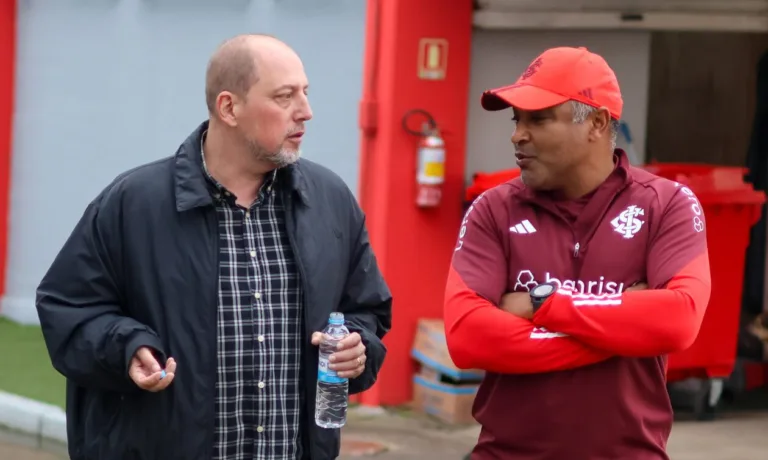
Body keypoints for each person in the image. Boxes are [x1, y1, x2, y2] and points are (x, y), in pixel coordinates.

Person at [35, 34, 392, 460]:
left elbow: (367, 310)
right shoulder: (134, 203)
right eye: (284, 97)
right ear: (229, 108)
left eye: (305, 93)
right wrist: (126, 348)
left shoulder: (330, 202)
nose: (306, 112)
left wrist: (358, 347)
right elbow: (68, 309)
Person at [444, 46, 712, 460]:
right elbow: (468, 338)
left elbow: (677, 320)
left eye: (539, 118)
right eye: (517, 120)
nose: (518, 134)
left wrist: (542, 304)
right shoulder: (492, 209)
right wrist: (622, 331)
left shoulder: (667, 203)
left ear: (597, 123)